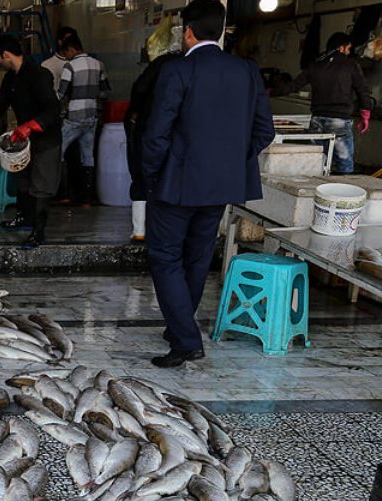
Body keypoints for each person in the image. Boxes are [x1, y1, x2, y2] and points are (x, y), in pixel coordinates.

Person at [141, 0, 273, 368]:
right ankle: (179, 326)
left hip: (177, 184)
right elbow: (265, 130)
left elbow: (156, 135)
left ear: (187, 31)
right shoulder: (246, 71)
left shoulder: (178, 71)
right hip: (221, 186)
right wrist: (229, 162)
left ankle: (185, 340)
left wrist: (152, 177)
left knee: (165, 257)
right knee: (197, 257)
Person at [0, 34, 62, 249]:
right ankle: (24, 218)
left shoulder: (39, 74)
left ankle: (38, 233)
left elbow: (53, 109)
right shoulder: (12, 78)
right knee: (23, 177)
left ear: (6, 55)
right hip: (26, 138)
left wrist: (30, 125)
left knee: (41, 185)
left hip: (45, 138)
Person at [275, 32, 372, 174]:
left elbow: (293, 86)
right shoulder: (350, 65)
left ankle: (317, 189)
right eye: (348, 48)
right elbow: (363, 91)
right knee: (344, 164)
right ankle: (340, 193)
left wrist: (269, 92)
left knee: (318, 161)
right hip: (339, 121)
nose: (349, 52)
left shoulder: (315, 65)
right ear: (341, 48)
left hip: (317, 120)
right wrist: (365, 114)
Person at [126, 46, 182, 241]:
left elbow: (139, 88)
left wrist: (135, 112)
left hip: (145, 125)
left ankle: (139, 231)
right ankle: (165, 231)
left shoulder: (161, 64)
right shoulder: (188, 68)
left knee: (141, 175)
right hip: (176, 132)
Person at [57, 34, 110, 205]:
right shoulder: (98, 64)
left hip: (74, 117)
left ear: (71, 49)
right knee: (88, 156)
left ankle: (63, 194)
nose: (66, 56)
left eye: (66, 53)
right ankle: (86, 199)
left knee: (59, 152)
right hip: (92, 116)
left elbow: (61, 93)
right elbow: (105, 92)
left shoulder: (70, 66)